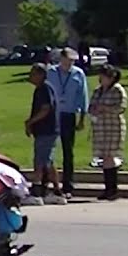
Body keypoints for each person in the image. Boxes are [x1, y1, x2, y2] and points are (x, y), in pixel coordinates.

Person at [46, 47, 88, 198]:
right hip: (52, 114)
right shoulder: (51, 72)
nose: (70, 63)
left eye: (73, 61)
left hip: (69, 114)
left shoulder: (78, 74)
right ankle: (46, 183)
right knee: (49, 150)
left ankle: (68, 185)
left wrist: (82, 117)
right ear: (61, 59)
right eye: (68, 60)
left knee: (68, 151)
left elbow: (83, 96)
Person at [25, 62, 66, 205]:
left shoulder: (44, 89)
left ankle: (36, 192)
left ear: (41, 75)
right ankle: (56, 191)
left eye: (33, 74)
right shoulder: (44, 89)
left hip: (46, 131)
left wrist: (30, 122)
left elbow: (45, 109)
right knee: (49, 162)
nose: (30, 77)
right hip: (49, 130)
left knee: (40, 161)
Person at [89, 64, 128, 201]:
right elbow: (91, 106)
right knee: (104, 157)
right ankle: (107, 188)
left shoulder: (118, 90)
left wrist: (105, 108)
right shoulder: (98, 91)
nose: (101, 78)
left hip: (113, 127)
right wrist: (93, 110)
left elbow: (121, 107)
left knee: (109, 156)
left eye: (104, 76)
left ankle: (112, 189)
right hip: (100, 128)